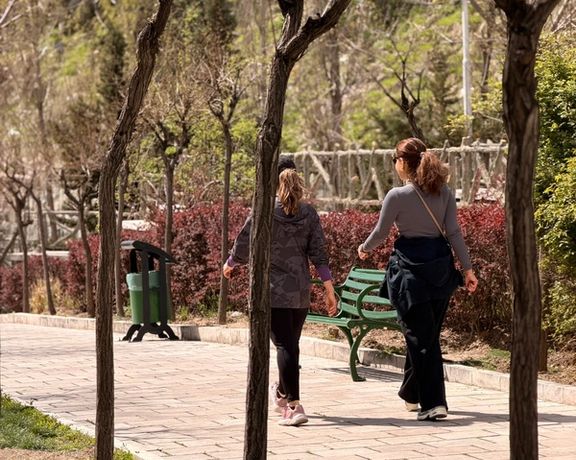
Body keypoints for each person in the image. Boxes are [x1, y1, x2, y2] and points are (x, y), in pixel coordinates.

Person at [357, 137, 478, 421]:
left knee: (422, 339)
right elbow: (454, 233)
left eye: (394, 160)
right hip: (441, 272)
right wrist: (469, 270)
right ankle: (412, 394)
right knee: (426, 335)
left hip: (410, 276)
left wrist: (363, 249)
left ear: (402, 162)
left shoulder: (397, 196)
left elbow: (380, 233)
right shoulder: (444, 193)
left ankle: (433, 403)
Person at [223, 157, 337, 427]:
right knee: (290, 345)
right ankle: (283, 392)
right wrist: (329, 289)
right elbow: (319, 254)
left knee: (285, 346)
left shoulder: (264, 210)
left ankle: (294, 406)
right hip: (299, 292)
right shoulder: (308, 213)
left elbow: (243, 243)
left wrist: (230, 264)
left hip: (272, 291)